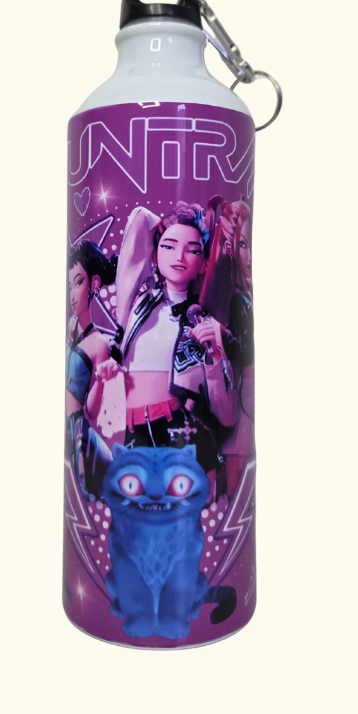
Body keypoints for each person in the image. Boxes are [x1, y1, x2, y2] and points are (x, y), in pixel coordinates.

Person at [96, 202, 236, 503]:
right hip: (134, 429)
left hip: (178, 427)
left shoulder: (201, 319)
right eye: (168, 246)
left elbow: (225, 413)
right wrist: (173, 222)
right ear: (155, 251)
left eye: (192, 250)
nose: (179, 257)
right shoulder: (138, 301)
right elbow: (139, 220)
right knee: (136, 511)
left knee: (195, 504)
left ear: (204, 262)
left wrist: (214, 357)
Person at [66, 241, 116, 497]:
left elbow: (91, 411)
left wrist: (100, 379)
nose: (72, 295)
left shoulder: (99, 344)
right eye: (69, 286)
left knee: (80, 494)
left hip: (80, 435)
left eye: (78, 283)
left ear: (94, 283)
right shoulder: (70, 329)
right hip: (64, 428)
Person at [217, 200, 255, 495]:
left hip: (244, 392)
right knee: (233, 471)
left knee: (237, 471)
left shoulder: (243, 297)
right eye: (242, 244)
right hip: (236, 393)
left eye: (249, 243)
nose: (249, 256)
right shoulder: (232, 296)